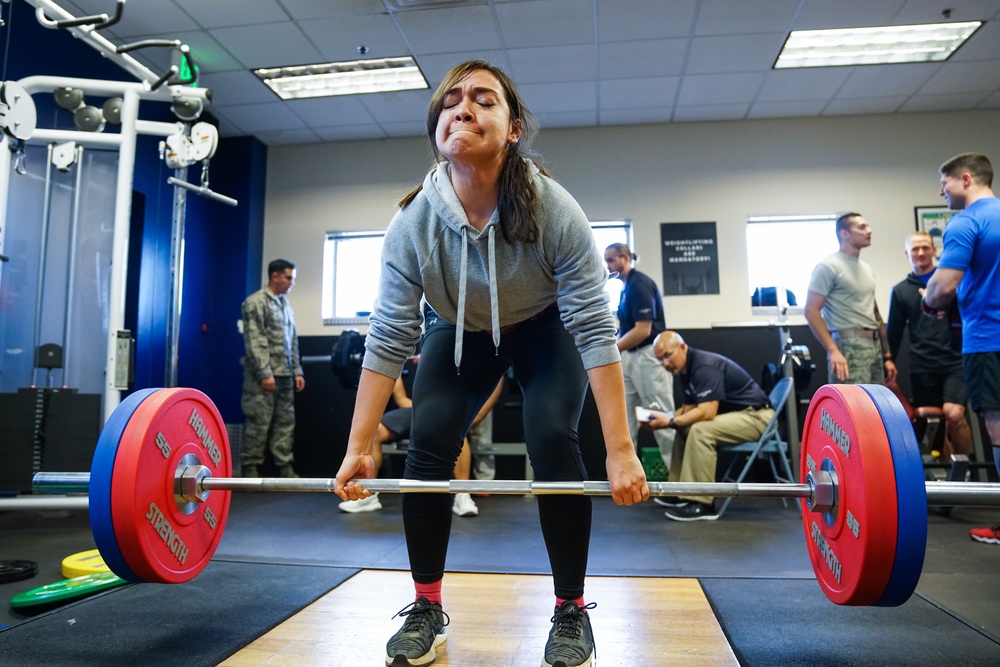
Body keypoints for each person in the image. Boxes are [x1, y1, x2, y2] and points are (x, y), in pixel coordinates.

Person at [333, 60, 647, 667]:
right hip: (459, 333)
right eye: (450, 101)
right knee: (427, 441)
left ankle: (571, 611)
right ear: (436, 129)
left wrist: (621, 449)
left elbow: (593, 327)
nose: (463, 108)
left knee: (552, 436)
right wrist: (360, 442)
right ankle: (426, 606)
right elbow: (389, 337)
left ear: (514, 129)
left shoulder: (554, 210)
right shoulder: (411, 226)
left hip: (543, 328)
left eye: (483, 99)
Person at [921, 152, 1000, 546]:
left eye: (945, 183)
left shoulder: (966, 222)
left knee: (998, 429)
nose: (941, 191)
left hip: (988, 338)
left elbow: (943, 286)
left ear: (966, 179)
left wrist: (928, 301)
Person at [646, 331, 774, 522]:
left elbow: (707, 412)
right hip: (741, 415)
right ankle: (679, 490)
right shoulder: (685, 370)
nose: (664, 363)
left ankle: (703, 503)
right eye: (660, 359)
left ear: (682, 348)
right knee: (684, 427)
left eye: (667, 356)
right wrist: (662, 418)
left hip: (758, 417)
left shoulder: (704, 366)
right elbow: (688, 409)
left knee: (699, 430)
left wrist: (670, 422)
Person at [339, 368, 492, 517]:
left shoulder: (449, 361)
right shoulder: (400, 359)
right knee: (376, 431)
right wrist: (425, 412)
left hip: (442, 411)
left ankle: (462, 495)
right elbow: (401, 399)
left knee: (457, 431)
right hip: (411, 410)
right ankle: (368, 496)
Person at [886, 230, 971, 457]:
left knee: (953, 415)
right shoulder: (901, 291)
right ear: (907, 254)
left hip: (955, 360)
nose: (921, 253)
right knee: (935, 422)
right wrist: (889, 360)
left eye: (925, 247)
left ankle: (966, 472)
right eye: (915, 249)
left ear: (934, 251)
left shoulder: (951, 284)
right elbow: (893, 332)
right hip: (922, 364)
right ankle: (953, 480)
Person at [804, 212, 898, 385]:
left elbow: (875, 313)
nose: (869, 231)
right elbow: (811, 310)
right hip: (848, 346)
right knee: (852, 406)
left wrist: (887, 356)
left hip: (874, 346)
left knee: (873, 404)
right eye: (861, 227)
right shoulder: (828, 266)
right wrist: (833, 350)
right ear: (844, 234)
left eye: (868, 226)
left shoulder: (867, 269)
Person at [604, 243, 675, 467]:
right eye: (606, 261)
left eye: (611, 260)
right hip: (630, 359)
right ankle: (626, 474)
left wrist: (613, 349)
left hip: (648, 356)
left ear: (626, 258)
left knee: (661, 416)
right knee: (624, 419)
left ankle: (679, 484)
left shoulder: (639, 285)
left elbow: (643, 330)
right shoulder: (625, 288)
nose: (608, 266)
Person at [240, 258, 305, 478]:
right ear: (274, 276)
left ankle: (285, 467)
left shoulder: (285, 305)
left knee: (285, 423)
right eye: (288, 278)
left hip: (285, 374)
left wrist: (297, 370)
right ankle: (250, 468)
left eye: (293, 278)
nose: (292, 283)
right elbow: (255, 340)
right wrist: (265, 372)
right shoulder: (255, 302)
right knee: (259, 421)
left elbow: (292, 340)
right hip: (263, 377)